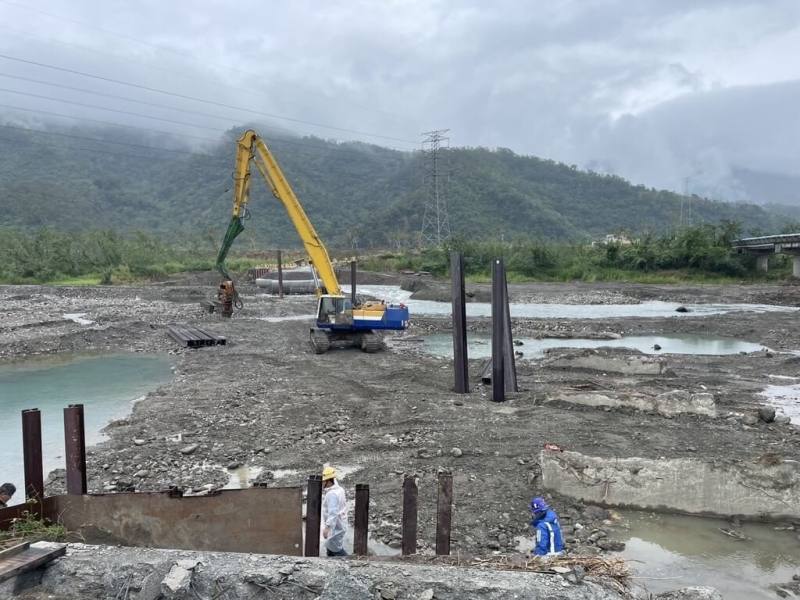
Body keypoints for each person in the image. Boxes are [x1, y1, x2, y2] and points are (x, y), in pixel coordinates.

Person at [321, 466, 348, 557]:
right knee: (331, 547)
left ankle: (350, 562)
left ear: (329, 481)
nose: (323, 483)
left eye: (324, 481)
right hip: (340, 524)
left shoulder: (332, 494)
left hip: (335, 526)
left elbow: (333, 512)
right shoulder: (340, 490)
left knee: (336, 549)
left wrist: (327, 527)